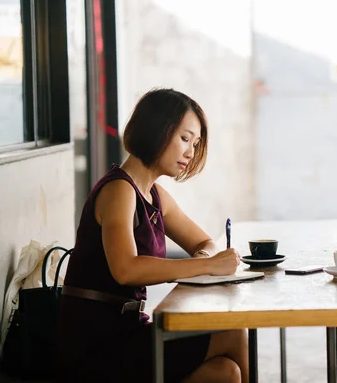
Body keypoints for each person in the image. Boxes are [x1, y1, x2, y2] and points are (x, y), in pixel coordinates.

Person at [55, 88, 248, 383]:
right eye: (185, 139)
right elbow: (126, 269)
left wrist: (206, 257)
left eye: (195, 143)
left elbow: (204, 242)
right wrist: (207, 266)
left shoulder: (155, 195)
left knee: (225, 373)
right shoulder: (118, 190)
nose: (190, 152)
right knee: (234, 333)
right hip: (97, 345)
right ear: (157, 129)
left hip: (129, 331)